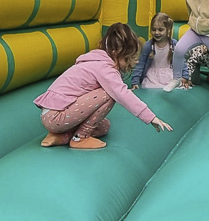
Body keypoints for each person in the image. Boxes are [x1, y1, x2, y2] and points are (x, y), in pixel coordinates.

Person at [34, 23, 173, 150]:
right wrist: (150, 117)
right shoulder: (105, 68)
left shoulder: (94, 60)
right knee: (108, 94)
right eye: (128, 58)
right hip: (57, 117)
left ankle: (60, 136)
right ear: (115, 52)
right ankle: (79, 138)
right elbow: (122, 94)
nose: (132, 63)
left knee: (104, 127)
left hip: (53, 116)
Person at [130, 13, 190, 89]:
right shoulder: (148, 46)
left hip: (169, 74)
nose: (157, 32)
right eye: (154, 30)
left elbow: (181, 61)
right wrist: (135, 81)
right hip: (152, 76)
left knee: (173, 86)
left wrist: (185, 76)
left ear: (168, 30)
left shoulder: (173, 44)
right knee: (149, 87)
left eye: (160, 30)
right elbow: (140, 64)